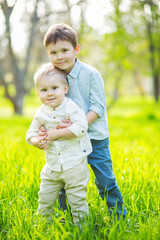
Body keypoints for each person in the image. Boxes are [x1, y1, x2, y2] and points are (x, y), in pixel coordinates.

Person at [40, 23, 127, 218]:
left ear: (76, 49)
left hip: (95, 138)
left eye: (64, 50)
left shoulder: (91, 74)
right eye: (53, 52)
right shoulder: (52, 76)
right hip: (68, 141)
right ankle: (68, 218)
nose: (59, 56)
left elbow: (98, 107)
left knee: (105, 180)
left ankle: (119, 217)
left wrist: (77, 126)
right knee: (64, 181)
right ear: (48, 54)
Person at [26, 63, 92, 224]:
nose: (49, 93)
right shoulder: (41, 112)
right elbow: (30, 134)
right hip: (52, 166)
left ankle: (81, 227)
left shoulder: (71, 107)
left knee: (76, 198)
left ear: (65, 88)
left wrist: (56, 134)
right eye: (44, 90)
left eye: (54, 88)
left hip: (74, 164)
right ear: (38, 92)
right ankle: (43, 225)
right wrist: (36, 141)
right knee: (45, 197)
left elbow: (81, 126)